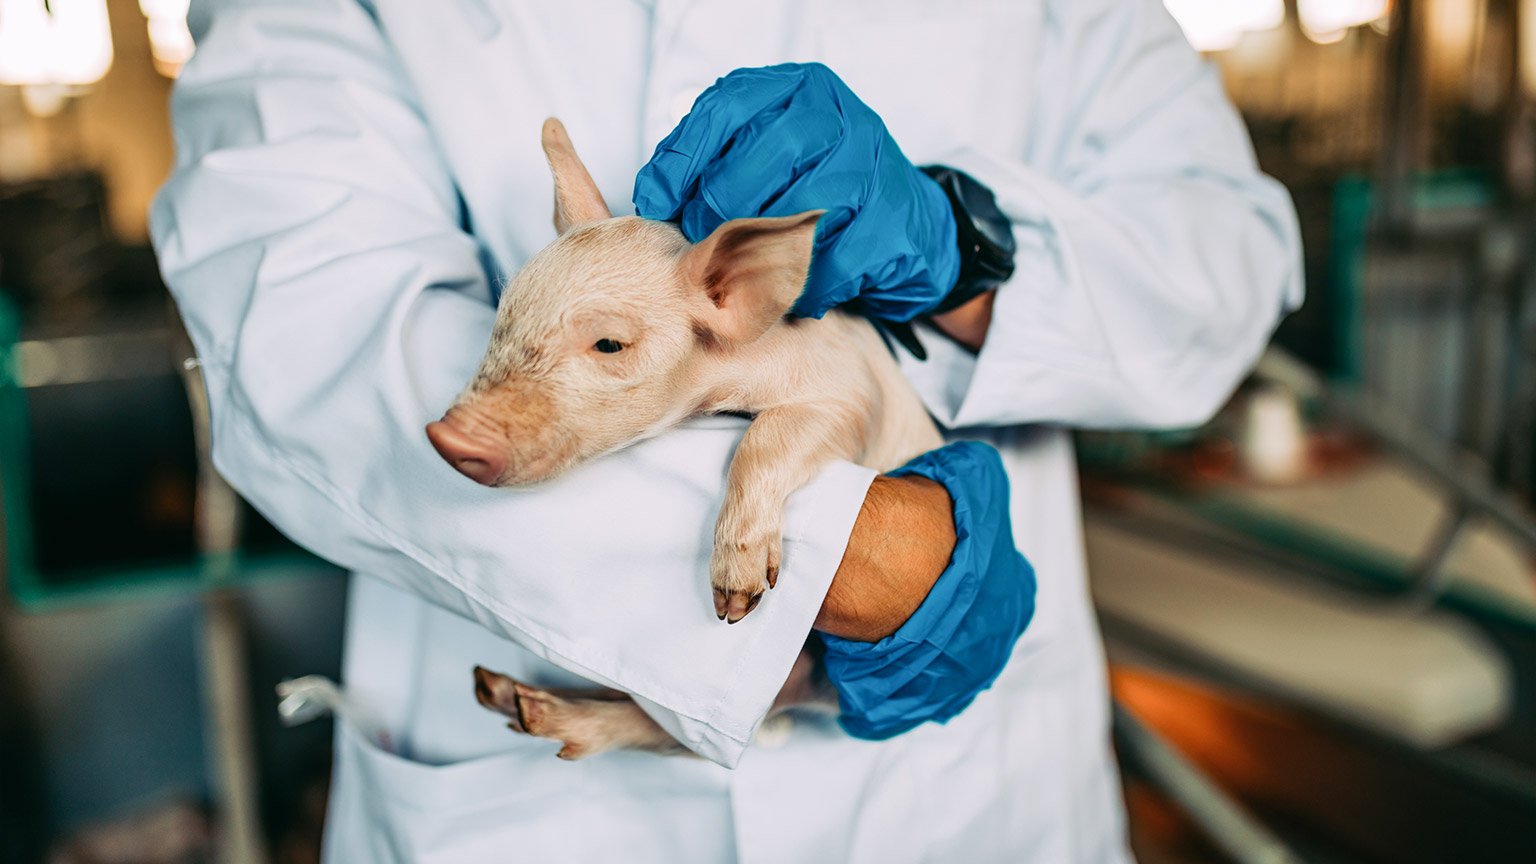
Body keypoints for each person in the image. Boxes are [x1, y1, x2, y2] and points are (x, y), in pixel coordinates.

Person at [150, 0, 1302, 861]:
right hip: (540, 818)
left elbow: (1230, 255)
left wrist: (961, 243)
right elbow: (301, 310)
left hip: (971, 802)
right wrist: (858, 557)